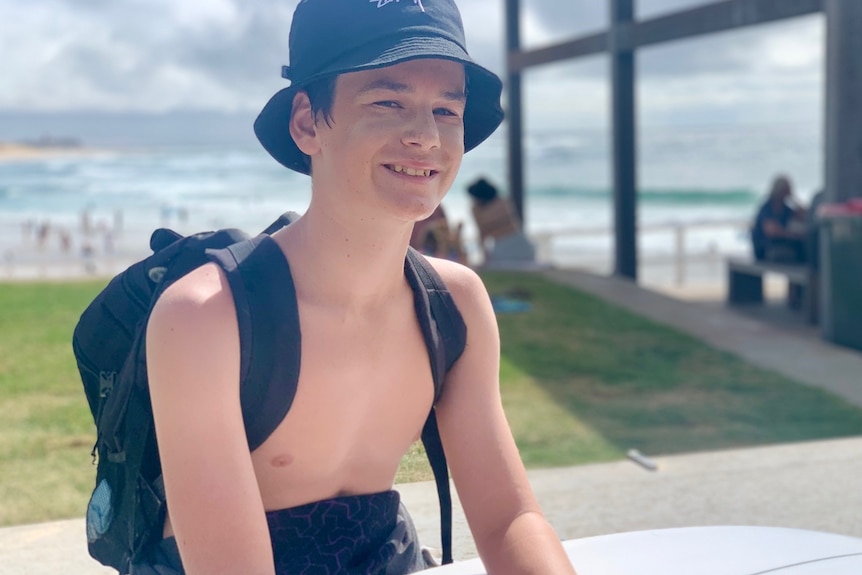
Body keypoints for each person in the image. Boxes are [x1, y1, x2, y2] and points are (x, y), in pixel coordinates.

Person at [143, 1, 577, 574]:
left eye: (446, 110)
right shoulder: (205, 318)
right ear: (306, 123)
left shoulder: (454, 305)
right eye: (388, 102)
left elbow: (508, 521)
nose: (425, 137)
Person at [467, 177, 536, 266]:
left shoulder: (478, 210)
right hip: (520, 243)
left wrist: (485, 255)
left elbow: (482, 233)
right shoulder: (503, 202)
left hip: (505, 245)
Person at [751, 175, 808, 263]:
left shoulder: (785, 209)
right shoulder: (767, 207)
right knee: (794, 255)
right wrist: (791, 235)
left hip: (779, 245)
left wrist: (794, 199)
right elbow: (772, 231)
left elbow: (803, 216)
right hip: (764, 248)